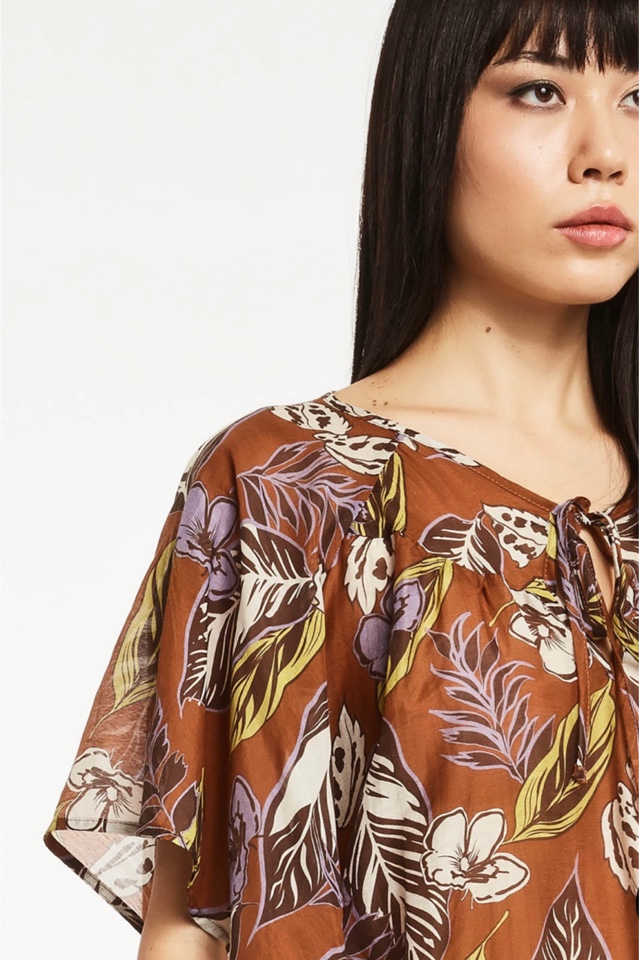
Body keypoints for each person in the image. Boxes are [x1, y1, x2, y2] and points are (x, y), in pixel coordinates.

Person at [43, 0, 639, 957]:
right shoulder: (296, 488)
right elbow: (194, 925)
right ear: (429, 115)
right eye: (539, 90)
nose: (604, 152)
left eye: (638, 99)